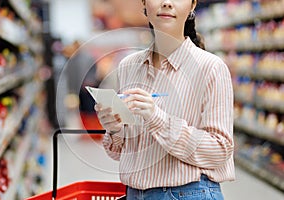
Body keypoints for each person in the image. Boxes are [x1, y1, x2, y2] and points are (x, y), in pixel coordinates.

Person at [95, 0, 234, 199]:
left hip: (188, 193)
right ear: (144, 3)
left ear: (192, 5)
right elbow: (119, 153)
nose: (167, 2)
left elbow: (220, 150)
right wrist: (115, 128)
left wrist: (156, 118)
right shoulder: (129, 67)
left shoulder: (211, 68)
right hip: (134, 193)